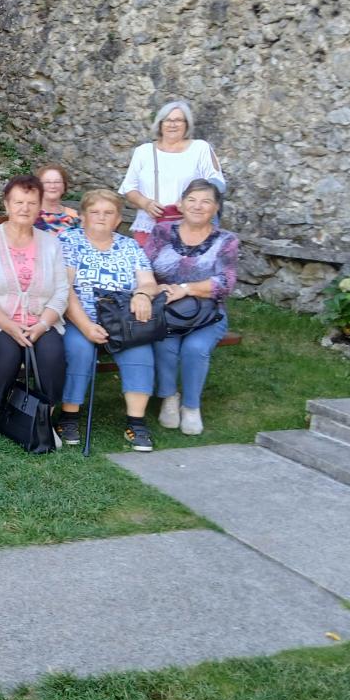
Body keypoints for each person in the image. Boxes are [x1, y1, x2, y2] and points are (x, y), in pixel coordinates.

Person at [0, 175, 69, 448]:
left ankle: (43, 420)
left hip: (39, 322)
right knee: (7, 352)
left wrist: (43, 324)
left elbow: (61, 291)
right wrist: (9, 325)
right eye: (18, 202)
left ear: (40, 206)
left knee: (53, 353)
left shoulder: (51, 243)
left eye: (31, 203)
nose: (24, 208)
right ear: (7, 205)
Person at [60, 189, 164, 452]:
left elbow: (148, 282)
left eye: (108, 213)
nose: (101, 217)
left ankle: (136, 423)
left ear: (118, 219)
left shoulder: (129, 246)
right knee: (79, 349)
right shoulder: (68, 241)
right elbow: (64, 289)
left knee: (139, 349)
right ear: (83, 216)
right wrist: (86, 326)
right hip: (79, 317)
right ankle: (69, 417)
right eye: (94, 212)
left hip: (121, 320)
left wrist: (142, 294)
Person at [143, 179, 238, 436]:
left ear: (216, 208)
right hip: (165, 311)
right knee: (165, 344)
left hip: (207, 313)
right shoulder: (162, 231)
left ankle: (191, 406)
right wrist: (155, 287)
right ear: (181, 204)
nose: (198, 206)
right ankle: (169, 397)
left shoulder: (226, 240)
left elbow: (226, 282)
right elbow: (142, 266)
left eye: (206, 201)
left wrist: (185, 289)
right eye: (192, 200)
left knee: (195, 349)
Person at [119, 100, 225, 246]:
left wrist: (188, 201)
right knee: (147, 261)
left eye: (178, 120)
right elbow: (129, 188)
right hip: (149, 226)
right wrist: (146, 203)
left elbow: (217, 183)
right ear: (160, 124)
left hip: (189, 227)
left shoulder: (200, 149)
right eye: (168, 120)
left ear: (186, 124)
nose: (172, 124)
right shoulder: (143, 152)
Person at [34, 163, 80, 236]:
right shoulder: (30, 214)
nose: (52, 186)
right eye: (47, 182)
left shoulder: (74, 216)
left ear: (64, 186)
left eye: (57, 182)